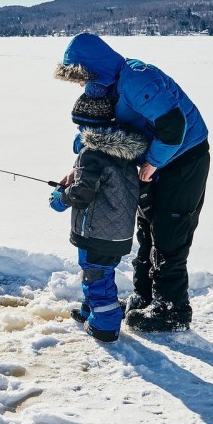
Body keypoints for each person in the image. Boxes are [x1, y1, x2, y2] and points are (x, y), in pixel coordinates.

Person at [54, 33, 210, 332]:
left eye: (82, 74)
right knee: (146, 228)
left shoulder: (137, 79)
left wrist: (154, 162)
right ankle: (143, 297)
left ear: (93, 66)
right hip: (152, 161)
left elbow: (173, 126)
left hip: (184, 158)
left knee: (169, 232)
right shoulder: (103, 84)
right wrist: (80, 166)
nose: (80, 82)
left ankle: (172, 310)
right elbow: (99, 132)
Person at [49, 93, 148, 342]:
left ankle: (105, 326)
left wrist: (60, 198)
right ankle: (90, 310)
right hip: (117, 231)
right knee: (99, 274)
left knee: (97, 277)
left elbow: (82, 193)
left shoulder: (91, 153)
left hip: (96, 233)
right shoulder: (124, 152)